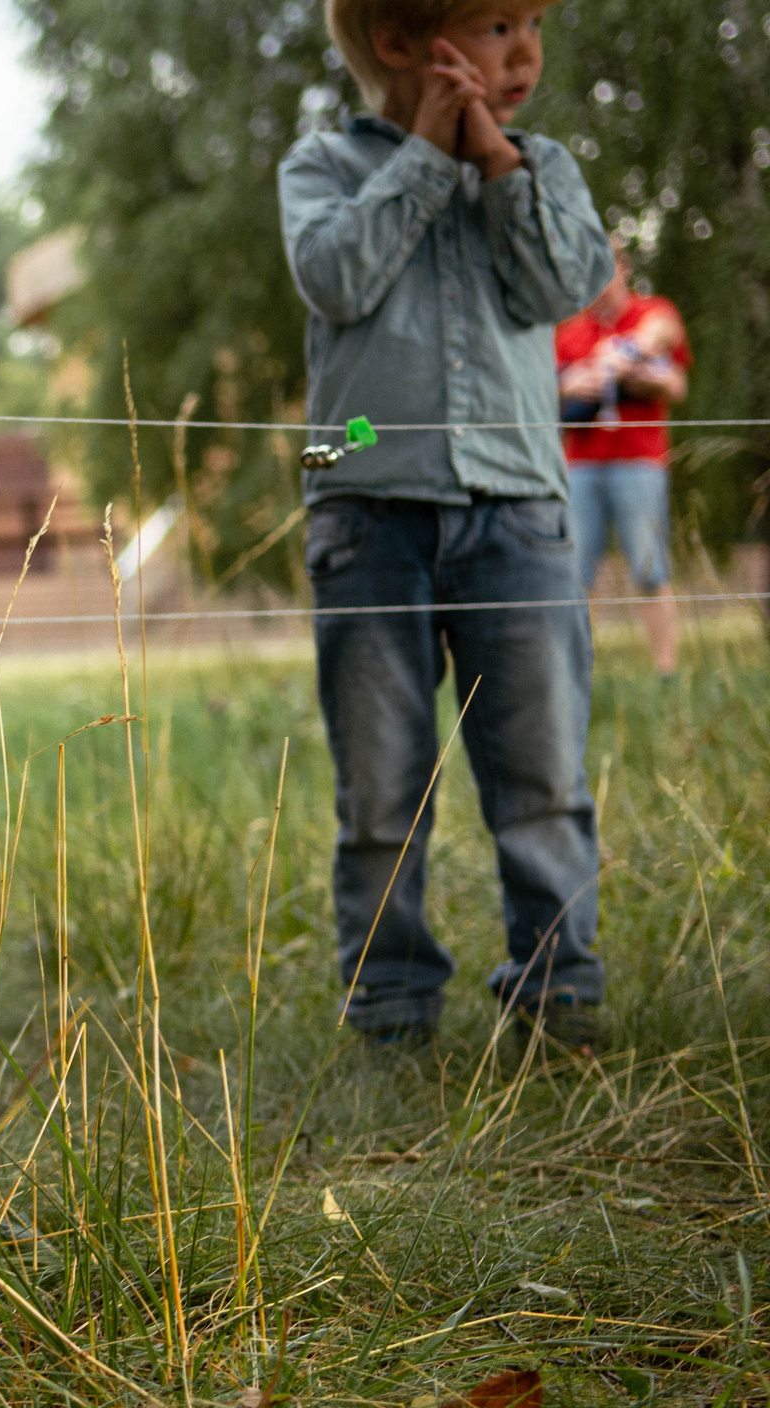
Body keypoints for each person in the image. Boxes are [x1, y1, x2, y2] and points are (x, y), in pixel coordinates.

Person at [281, 0, 611, 1047]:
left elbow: (566, 286)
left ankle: (557, 994)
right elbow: (335, 279)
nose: (523, 51)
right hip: (365, 511)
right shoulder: (323, 165)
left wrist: (498, 169)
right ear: (403, 44)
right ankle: (390, 1006)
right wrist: (425, 153)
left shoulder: (541, 164)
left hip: (517, 513)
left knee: (542, 777)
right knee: (381, 789)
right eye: (495, 26)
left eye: (529, 25)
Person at [557, 241, 689, 676]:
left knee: (650, 567)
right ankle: (574, 674)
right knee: (574, 574)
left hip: (639, 460)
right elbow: (543, 395)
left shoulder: (652, 312)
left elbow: (676, 385)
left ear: (622, 267)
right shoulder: (570, 332)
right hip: (580, 464)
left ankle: (666, 672)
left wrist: (631, 369)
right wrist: (569, 386)